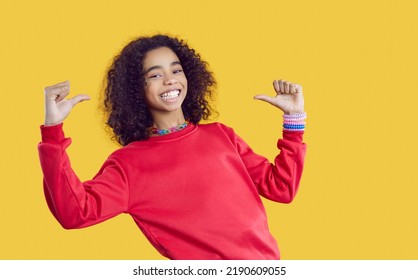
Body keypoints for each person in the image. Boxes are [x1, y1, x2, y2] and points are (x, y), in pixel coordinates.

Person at [38, 34, 307, 260]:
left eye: (176, 70)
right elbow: (75, 212)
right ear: (135, 90)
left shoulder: (222, 135)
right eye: (155, 75)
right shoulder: (128, 165)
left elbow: (281, 188)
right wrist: (53, 132)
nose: (170, 80)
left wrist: (294, 120)